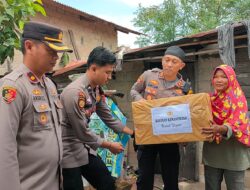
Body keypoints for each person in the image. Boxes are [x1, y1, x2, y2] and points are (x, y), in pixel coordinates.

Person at [0, 21, 72, 190]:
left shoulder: (50, 85)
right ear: (29, 46)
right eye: (50, 51)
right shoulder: (13, 87)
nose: (56, 57)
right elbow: (4, 148)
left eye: (58, 52)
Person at [60, 46, 134, 190]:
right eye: (107, 72)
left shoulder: (95, 89)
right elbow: (82, 132)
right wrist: (109, 145)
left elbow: (108, 117)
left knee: (107, 183)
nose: (109, 77)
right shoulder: (74, 93)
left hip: (85, 148)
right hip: (68, 151)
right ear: (93, 68)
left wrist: (132, 133)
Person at [130, 46, 191, 190]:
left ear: (181, 66)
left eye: (174, 61)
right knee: (144, 178)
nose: (169, 64)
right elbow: (133, 90)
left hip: (169, 138)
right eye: (167, 60)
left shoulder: (185, 88)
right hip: (147, 134)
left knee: (170, 179)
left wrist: (185, 137)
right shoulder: (148, 75)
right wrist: (141, 101)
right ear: (162, 60)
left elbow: (187, 114)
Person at [202, 65, 250, 190]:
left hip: (234, 154)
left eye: (224, 77)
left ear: (231, 79)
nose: (218, 80)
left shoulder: (238, 99)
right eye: (216, 77)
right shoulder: (209, 100)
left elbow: (239, 123)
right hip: (212, 153)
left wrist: (221, 128)